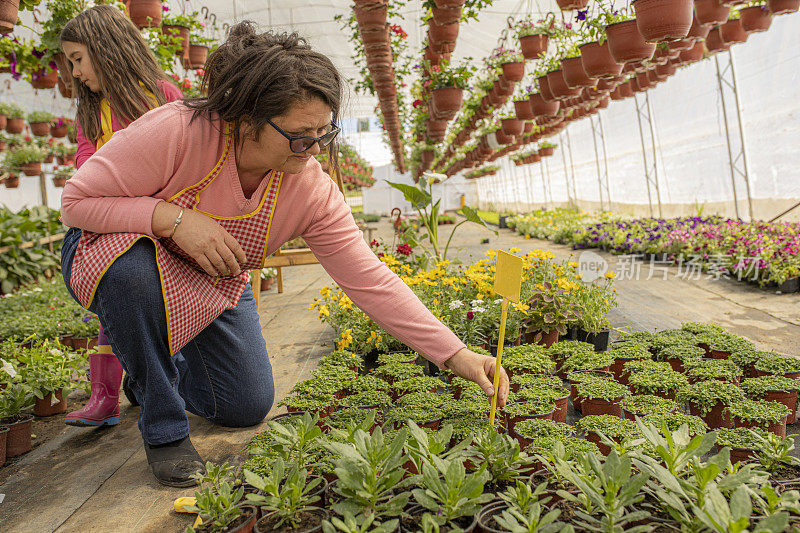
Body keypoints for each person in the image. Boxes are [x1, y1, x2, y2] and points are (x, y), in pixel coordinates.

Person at [60, 21, 509, 488]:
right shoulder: (177, 131)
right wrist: (173, 219)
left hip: (212, 280)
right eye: (299, 135)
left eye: (324, 132)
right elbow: (75, 205)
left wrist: (457, 355)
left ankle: (148, 366)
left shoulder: (311, 190)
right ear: (246, 118)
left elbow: (370, 280)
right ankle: (164, 429)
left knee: (245, 406)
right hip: (110, 246)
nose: (313, 150)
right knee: (132, 274)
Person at [59, 4, 184, 428]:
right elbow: (85, 163)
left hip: (162, 220)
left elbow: (184, 160)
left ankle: (116, 392)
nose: (74, 72)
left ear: (105, 47)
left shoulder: (163, 95)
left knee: (155, 294)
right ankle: (108, 393)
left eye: (78, 59)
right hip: (115, 220)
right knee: (118, 278)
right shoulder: (93, 110)